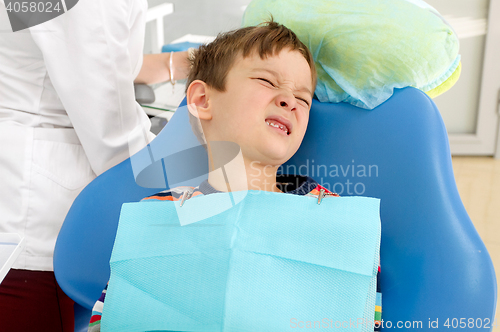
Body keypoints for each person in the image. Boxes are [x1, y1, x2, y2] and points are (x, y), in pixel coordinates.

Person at [88, 21, 382, 331]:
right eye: (267, 81)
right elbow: (111, 318)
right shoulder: (160, 216)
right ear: (203, 100)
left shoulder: (331, 215)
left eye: (304, 99)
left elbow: (358, 312)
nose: (290, 101)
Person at [0, 0, 190, 330]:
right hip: (30, 216)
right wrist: (187, 196)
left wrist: (188, 62)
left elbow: (69, 48)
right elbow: (114, 136)